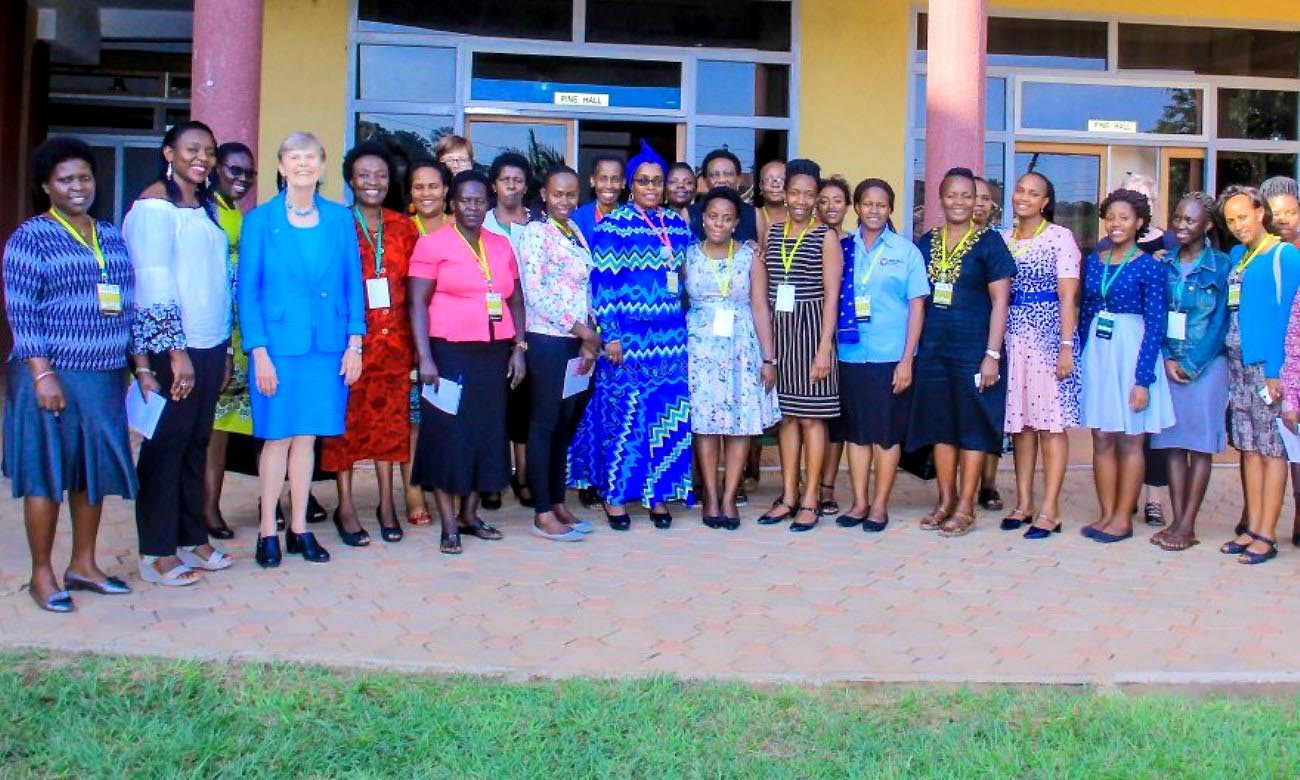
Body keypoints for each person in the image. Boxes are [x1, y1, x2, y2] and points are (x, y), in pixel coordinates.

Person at [3, 137, 151, 611]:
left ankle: (83, 565)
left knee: (92, 473)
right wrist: (42, 374)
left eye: (84, 177)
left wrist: (141, 365)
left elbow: (128, 304)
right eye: (65, 179)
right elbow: (21, 310)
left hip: (105, 376)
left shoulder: (109, 236)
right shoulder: (31, 237)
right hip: (52, 377)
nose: (77, 187)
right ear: (46, 186)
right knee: (46, 474)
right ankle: (41, 575)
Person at [239, 131, 366, 568]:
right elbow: (248, 293)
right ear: (280, 166)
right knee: (277, 438)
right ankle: (267, 532)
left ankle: (300, 528)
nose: (302, 165)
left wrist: (355, 342)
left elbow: (353, 282)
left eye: (310, 157)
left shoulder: (338, 219)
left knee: (308, 437)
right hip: (278, 349)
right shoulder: (259, 221)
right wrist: (257, 352)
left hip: (326, 347)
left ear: (323, 165)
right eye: (294, 157)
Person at [124, 120, 233, 586]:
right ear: (169, 152)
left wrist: (223, 345)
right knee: (165, 447)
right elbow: (153, 282)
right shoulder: (153, 208)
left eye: (209, 151)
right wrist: (174, 352)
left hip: (209, 343)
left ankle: (192, 537)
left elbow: (212, 279)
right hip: (177, 348)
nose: (202, 158)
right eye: (192, 149)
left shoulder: (203, 206)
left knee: (195, 443)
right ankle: (156, 551)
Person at [569, 140, 694, 530]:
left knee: (665, 416)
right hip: (627, 340)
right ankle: (616, 496)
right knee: (624, 418)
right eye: (643, 181)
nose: (652, 188)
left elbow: (690, 277)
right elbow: (602, 284)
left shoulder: (677, 224)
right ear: (630, 185)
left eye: (657, 181)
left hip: (671, 339)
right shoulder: (615, 225)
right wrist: (611, 335)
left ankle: (657, 495)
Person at [409, 170, 527, 554]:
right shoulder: (433, 244)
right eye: (465, 201)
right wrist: (424, 356)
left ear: (488, 202)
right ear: (452, 204)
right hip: (448, 353)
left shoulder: (501, 245)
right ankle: (448, 524)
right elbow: (417, 304)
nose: (473, 207)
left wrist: (519, 347)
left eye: (479, 200)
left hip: (493, 355)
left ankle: (470, 515)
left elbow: (514, 300)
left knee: (485, 436)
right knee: (449, 437)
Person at [909, 167, 1015, 537]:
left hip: (974, 350)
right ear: (940, 199)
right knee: (941, 427)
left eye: (966, 196)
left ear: (976, 201)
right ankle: (945, 500)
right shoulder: (926, 242)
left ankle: (967, 506)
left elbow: (1001, 302)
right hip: (935, 350)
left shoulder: (990, 243)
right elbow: (916, 299)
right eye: (951, 195)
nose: (959, 202)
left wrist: (992, 354)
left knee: (971, 428)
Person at [320, 141, 417, 545]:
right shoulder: (336, 225)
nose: (372, 182)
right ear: (350, 180)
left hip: (395, 344)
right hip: (350, 345)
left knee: (390, 427)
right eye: (363, 175)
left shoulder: (403, 226)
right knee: (346, 427)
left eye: (379, 174)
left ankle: (386, 504)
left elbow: (415, 290)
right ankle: (345, 505)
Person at [1078, 188, 1174, 544]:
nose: (1116, 224)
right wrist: (1080, 355)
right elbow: (1086, 311)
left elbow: (1156, 324)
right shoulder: (1095, 261)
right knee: (1101, 435)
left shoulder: (1150, 266)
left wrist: (1143, 379)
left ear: (1139, 223)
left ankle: (1123, 518)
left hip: (1132, 351)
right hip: (1099, 353)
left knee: (1131, 439)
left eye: (1124, 218)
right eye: (1110, 217)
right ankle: (1106, 514)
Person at [832, 179, 928, 532]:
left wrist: (907, 360)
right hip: (851, 354)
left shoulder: (906, 252)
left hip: (891, 357)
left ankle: (880, 505)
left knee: (886, 435)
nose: (874, 210)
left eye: (881, 205)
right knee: (857, 434)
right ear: (856, 208)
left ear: (890, 209)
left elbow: (917, 307)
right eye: (867, 204)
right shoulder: (842, 248)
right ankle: (859, 502)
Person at [755, 158, 842, 532]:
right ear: (784, 193)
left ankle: (811, 498)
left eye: (810, 193)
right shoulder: (772, 233)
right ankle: (788, 494)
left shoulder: (827, 237)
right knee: (787, 418)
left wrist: (823, 349)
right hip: (780, 332)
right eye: (795, 192)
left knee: (812, 419)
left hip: (811, 333)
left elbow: (832, 297)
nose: (802, 200)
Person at [686, 187, 780, 530]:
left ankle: (729, 495)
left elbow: (760, 307)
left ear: (736, 222)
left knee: (740, 426)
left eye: (727, 218)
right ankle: (710, 495)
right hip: (699, 350)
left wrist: (768, 358)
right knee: (706, 425)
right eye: (713, 216)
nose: (719, 224)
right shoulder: (688, 256)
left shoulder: (749, 257)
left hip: (741, 348)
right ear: (703, 218)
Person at [517, 165, 601, 541]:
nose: (564, 201)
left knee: (564, 426)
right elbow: (536, 293)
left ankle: (557, 502)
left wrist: (589, 334)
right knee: (543, 426)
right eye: (557, 194)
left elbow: (584, 287)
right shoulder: (536, 234)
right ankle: (541, 513)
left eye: (571, 194)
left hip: (576, 342)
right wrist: (583, 330)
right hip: (549, 341)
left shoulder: (575, 230)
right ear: (544, 196)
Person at [1218, 185, 1300, 564]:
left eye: (1243, 216)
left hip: (1267, 369)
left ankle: (1267, 534)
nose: (1237, 225)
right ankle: (1252, 527)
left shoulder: (1283, 255)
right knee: (1248, 449)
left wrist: (1276, 369)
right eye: (1231, 220)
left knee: (1271, 451)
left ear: (1260, 213)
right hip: (1237, 365)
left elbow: (1288, 317)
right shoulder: (1239, 255)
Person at [998, 172, 1081, 539]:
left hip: (1048, 335)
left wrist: (1066, 345)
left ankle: (1050, 508)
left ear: (1046, 201)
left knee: (1050, 424)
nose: (1024, 198)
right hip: (1013, 336)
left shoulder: (1059, 238)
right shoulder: (1004, 238)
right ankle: (1024, 503)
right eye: (1020, 190)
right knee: (1023, 425)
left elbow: (1068, 296)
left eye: (1033, 194)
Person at [1149, 193, 1230, 552]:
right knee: (1171, 446)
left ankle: (1187, 525)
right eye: (1177, 218)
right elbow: (1157, 315)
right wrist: (1167, 357)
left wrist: (1193, 364)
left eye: (1190, 220)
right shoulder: (1163, 263)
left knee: (1198, 447)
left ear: (1208, 225)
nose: (1180, 226)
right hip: (1169, 364)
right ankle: (1175, 521)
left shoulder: (1223, 267)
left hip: (1206, 368)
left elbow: (1220, 323)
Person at [202, 141, 256, 541]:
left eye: (247, 174)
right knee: (209, 431)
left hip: (240, 338)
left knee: (225, 428)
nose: (240, 179)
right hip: (212, 337)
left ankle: (210, 507)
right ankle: (203, 509)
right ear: (215, 169)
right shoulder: (202, 214)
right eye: (233, 170)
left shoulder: (238, 215)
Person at [482, 152, 537, 511]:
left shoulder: (540, 224)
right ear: (494, 185)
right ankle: (493, 477)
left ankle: (524, 477)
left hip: (536, 326)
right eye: (506, 180)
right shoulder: (480, 224)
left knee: (526, 406)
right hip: (491, 327)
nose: (512, 186)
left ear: (526, 186)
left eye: (518, 180)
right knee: (493, 405)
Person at [402, 158, 452, 527]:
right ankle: (413, 492)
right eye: (419, 187)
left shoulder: (460, 229)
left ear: (446, 190)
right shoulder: (401, 231)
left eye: (433, 186)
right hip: (408, 340)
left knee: (449, 418)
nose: (426, 193)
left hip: (453, 340)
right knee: (415, 421)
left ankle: (445, 489)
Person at [1260, 175, 1300, 548]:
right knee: (1286, 447)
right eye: (1276, 213)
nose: (1283, 219)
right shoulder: (1264, 254)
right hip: (1278, 364)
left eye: (1290, 212)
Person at [814, 175, 851, 517]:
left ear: (847, 205)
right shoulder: (809, 239)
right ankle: (806, 483)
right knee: (813, 416)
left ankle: (827, 486)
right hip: (815, 336)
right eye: (823, 200)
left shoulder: (856, 244)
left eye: (837, 200)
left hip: (851, 340)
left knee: (836, 417)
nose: (830, 207)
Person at [973, 175, 1007, 512]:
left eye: (985, 198)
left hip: (994, 341)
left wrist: (993, 352)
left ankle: (988, 483)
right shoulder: (946, 242)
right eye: (975, 196)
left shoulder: (1000, 241)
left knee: (988, 412)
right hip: (960, 341)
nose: (979, 203)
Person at [691, 148, 759, 243]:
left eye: (728, 174)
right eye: (714, 175)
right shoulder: (690, 214)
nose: (722, 179)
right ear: (705, 180)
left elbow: (762, 251)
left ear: (738, 179)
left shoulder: (755, 214)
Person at [572, 153, 625, 247]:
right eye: (603, 179)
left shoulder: (632, 219)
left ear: (623, 183)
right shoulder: (577, 219)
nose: (609, 186)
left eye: (615, 179)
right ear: (592, 181)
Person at [755, 159, 787, 254]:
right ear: (761, 186)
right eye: (769, 179)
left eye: (782, 179)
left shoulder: (797, 217)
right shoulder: (751, 216)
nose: (775, 184)